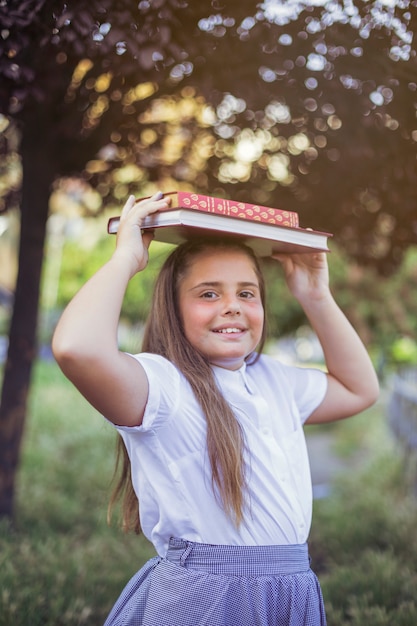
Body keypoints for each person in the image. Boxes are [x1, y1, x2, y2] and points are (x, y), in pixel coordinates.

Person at [52, 191, 379, 626]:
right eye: (208, 293)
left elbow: (359, 389)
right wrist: (125, 260)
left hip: (290, 593)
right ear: (174, 307)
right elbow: (77, 348)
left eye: (247, 293)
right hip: (206, 599)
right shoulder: (165, 387)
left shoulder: (273, 379)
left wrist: (316, 296)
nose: (232, 306)